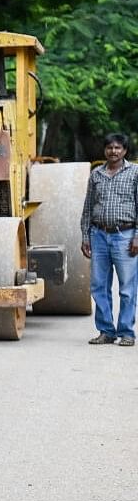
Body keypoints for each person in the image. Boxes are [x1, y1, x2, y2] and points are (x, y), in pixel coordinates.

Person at [80, 132, 138, 346]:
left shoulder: (134, 173)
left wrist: (137, 237)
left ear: (125, 151)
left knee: (127, 288)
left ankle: (127, 332)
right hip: (99, 235)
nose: (113, 151)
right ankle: (106, 331)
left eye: (118, 148)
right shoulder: (96, 174)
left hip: (126, 236)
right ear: (104, 150)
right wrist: (85, 236)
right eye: (110, 148)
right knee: (98, 286)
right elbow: (88, 207)